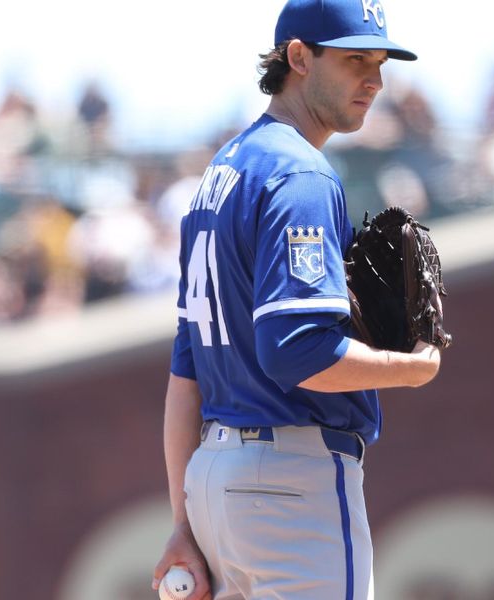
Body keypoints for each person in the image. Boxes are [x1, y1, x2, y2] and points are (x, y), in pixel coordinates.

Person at [152, 1, 442, 599]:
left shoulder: (225, 170)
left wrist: (183, 519)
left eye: (380, 62)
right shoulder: (300, 175)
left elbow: (187, 374)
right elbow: (298, 354)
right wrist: (411, 369)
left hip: (216, 481)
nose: (375, 79)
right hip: (289, 486)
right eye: (355, 58)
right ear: (299, 57)